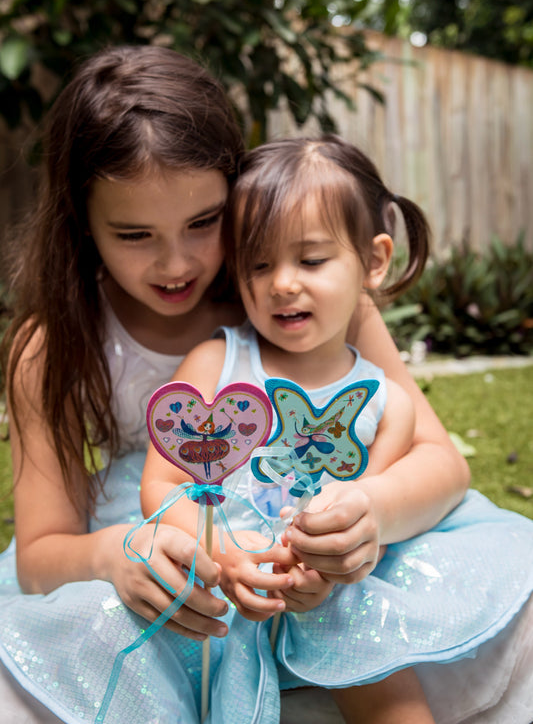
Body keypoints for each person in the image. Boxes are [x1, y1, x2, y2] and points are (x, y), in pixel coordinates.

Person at [0, 43, 473, 723]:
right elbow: (40, 557)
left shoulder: (296, 306)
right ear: (82, 224)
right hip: (168, 562)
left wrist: (369, 511)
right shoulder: (51, 348)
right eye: (134, 234)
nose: (175, 263)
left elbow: (442, 463)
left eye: (204, 222)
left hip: (313, 561)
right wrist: (116, 555)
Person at [141, 135, 533, 724]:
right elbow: (164, 485)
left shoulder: (385, 401)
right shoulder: (214, 366)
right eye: (260, 263)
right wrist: (222, 557)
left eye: (312, 260)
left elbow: (364, 500)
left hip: (336, 591)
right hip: (230, 576)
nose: (282, 284)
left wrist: (329, 559)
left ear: (374, 261)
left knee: (376, 669)